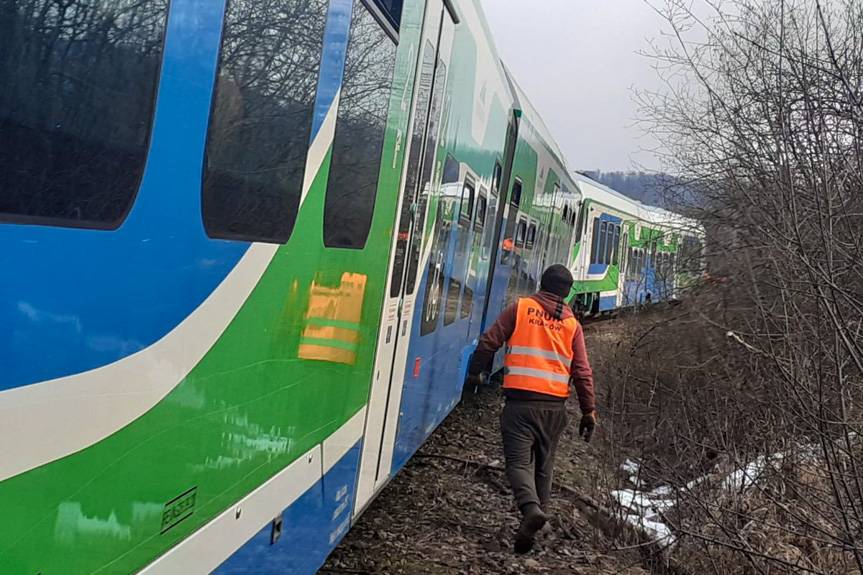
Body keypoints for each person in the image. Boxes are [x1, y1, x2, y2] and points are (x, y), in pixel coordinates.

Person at [467, 264, 597, 554]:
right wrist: (589, 412)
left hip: (521, 405)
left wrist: (476, 372)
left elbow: (489, 341)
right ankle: (537, 526)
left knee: (517, 464)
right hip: (555, 409)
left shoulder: (521, 308)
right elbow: (582, 371)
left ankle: (531, 512)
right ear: (566, 292)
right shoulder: (572, 324)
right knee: (544, 468)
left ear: (541, 283)